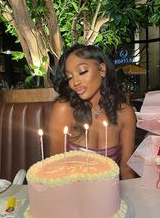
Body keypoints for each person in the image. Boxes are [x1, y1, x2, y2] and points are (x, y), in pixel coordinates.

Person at [49, 44, 136, 179]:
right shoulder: (64, 110)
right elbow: (56, 169)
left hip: (110, 194)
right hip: (73, 194)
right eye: (69, 77)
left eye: (82, 71)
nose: (75, 82)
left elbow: (126, 170)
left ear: (102, 69)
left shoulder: (126, 114)